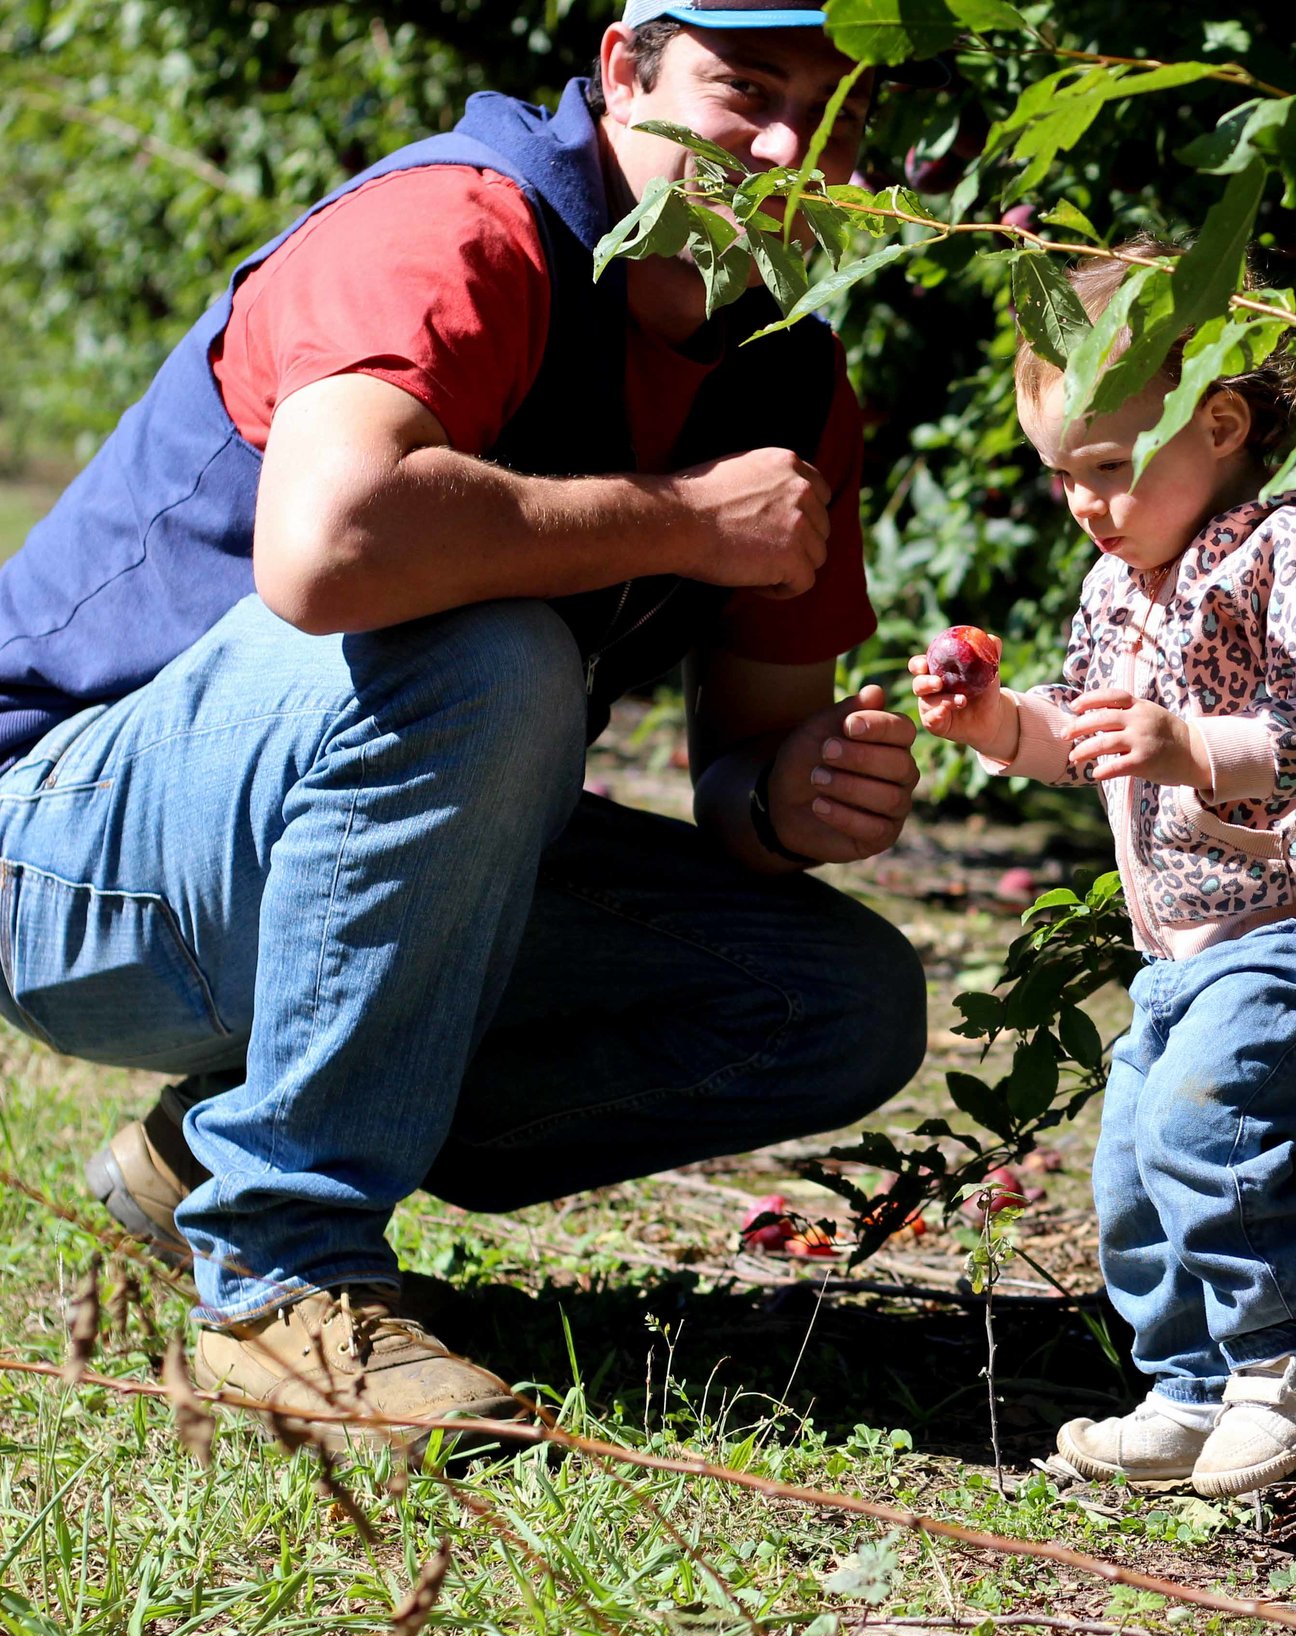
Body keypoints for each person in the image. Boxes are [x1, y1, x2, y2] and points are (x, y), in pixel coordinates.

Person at [0, 0, 929, 1437]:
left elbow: (751, 755)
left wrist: (790, 796)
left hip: (317, 856)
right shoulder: (458, 227)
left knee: (837, 1002)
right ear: (626, 68)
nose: (796, 149)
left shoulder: (792, 383)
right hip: (61, 852)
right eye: (747, 89)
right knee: (489, 653)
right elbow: (332, 549)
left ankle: (213, 1155)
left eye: (845, 115)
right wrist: (683, 520)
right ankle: (281, 1274)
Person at [912, 243, 1296, 1496]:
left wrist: (1195, 743)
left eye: (1106, 467)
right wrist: (997, 724)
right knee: (1133, 1176)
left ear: (1219, 422)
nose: (1085, 505)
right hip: (1186, 953)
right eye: (1062, 477)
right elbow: (1089, 735)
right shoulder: (1123, 578)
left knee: (1208, 1129)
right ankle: (1197, 1381)